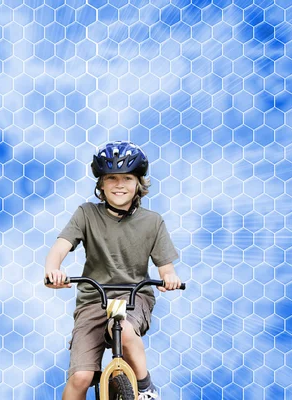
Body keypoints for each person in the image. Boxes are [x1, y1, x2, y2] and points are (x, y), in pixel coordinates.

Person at [45, 141, 182, 400]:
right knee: (81, 377)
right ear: (101, 184)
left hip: (132, 297)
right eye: (111, 178)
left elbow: (166, 268)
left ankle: (145, 389)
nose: (119, 184)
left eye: (127, 178)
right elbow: (60, 247)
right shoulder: (86, 214)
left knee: (122, 327)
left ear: (139, 183)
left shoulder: (153, 222)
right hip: (93, 300)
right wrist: (53, 269)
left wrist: (169, 278)